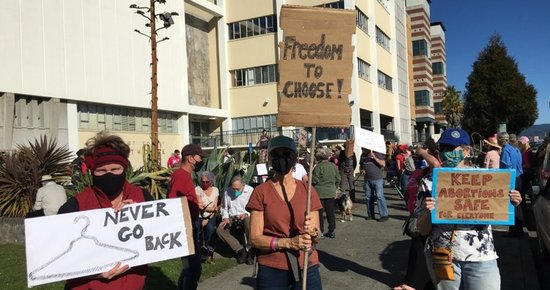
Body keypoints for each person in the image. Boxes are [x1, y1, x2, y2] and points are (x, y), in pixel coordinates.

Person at [415, 128, 522, 290]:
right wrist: (429, 213)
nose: (445, 152)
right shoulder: (429, 182)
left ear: (466, 151)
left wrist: (511, 200)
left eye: (450, 148)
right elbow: (422, 230)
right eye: (441, 148)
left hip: (481, 256)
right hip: (443, 256)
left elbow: (500, 208)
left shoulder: (486, 180)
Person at [58, 131, 152, 289]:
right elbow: (57, 253)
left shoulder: (143, 198)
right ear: (92, 172)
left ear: (125, 169)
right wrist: (93, 272)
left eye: (115, 169)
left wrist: (140, 216)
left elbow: (159, 239)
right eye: (101, 170)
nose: (109, 175)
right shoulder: (75, 206)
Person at [247, 135, 323, 289]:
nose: (281, 159)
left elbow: (318, 235)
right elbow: (254, 239)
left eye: (286, 154)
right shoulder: (261, 192)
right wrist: (288, 243)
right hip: (272, 269)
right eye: (276, 155)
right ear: (270, 159)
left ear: (294, 158)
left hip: (307, 266)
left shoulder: (308, 191)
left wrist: (313, 233)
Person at [167, 143, 206, 290]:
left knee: (191, 268)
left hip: (190, 223)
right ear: (190, 158)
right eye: (199, 157)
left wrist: (194, 203)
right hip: (186, 226)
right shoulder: (182, 175)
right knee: (193, 269)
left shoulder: (183, 175)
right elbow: (174, 201)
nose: (200, 160)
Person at [216, 175, 254, 264]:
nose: (235, 191)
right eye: (234, 189)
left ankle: (251, 250)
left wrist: (246, 214)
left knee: (248, 223)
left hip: (245, 216)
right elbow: (224, 208)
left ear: (243, 185)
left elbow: (254, 207)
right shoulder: (228, 191)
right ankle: (240, 250)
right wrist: (225, 218)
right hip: (232, 217)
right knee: (220, 230)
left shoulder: (250, 190)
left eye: (237, 189)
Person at [498, 132, 524, 236]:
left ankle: (514, 231)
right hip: (519, 177)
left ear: (501, 140)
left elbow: (506, 167)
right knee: (518, 204)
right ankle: (519, 229)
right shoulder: (516, 149)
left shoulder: (505, 150)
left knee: (513, 204)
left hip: (512, 179)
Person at [312, 147, 341, 238]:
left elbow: (314, 180)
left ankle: (320, 231)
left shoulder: (318, 167)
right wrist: (334, 187)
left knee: (320, 213)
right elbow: (338, 179)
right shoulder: (333, 166)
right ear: (328, 157)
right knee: (330, 212)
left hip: (319, 193)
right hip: (330, 192)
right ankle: (332, 231)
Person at [360, 148, 389, 221]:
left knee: (379, 196)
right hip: (367, 179)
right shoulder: (363, 155)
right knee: (368, 197)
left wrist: (374, 157)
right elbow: (361, 166)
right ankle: (370, 214)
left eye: (363, 148)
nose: (362, 149)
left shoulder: (377, 153)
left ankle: (384, 215)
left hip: (377, 179)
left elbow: (383, 164)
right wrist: (362, 170)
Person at [195, 171, 219, 257]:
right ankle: (198, 249)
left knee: (210, 228)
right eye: (203, 181)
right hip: (199, 214)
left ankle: (209, 248)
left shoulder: (215, 190)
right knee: (197, 228)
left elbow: (215, 207)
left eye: (207, 181)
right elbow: (200, 206)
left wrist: (208, 217)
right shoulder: (198, 189)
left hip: (210, 216)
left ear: (211, 181)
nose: (204, 183)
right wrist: (211, 208)